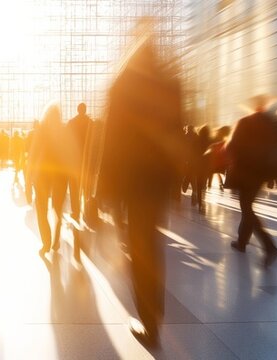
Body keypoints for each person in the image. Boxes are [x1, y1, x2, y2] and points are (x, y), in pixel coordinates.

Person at [95, 34, 185, 348]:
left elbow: (112, 140)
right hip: (157, 182)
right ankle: (153, 317)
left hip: (132, 183)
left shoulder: (123, 85)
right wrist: (177, 183)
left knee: (138, 249)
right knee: (152, 247)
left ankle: (148, 323)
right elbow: (178, 134)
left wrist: (105, 188)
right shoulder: (171, 84)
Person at [225, 95, 277, 267]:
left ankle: (269, 246)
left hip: (245, 172)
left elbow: (231, 146)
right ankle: (242, 242)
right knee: (247, 206)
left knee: (247, 208)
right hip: (261, 173)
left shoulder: (245, 122)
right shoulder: (271, 124)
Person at [29, 103, 68, 255]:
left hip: (42, 176)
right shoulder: (64, 132)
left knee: (41, 210)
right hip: (60, 176)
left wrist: (29, 176)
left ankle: (46, 242)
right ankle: (56, 240)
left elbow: (33, 154)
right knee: (58, 210)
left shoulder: (40, 131)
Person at [66, 103, 92, 222]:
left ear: (77, 110)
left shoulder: (71, 123)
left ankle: (75, 211)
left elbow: (67, 141)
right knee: (87, 186)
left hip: (73, 160)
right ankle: (87, 210)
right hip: (87, 160)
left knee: (74, 187)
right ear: (85, 110)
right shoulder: (91, 123)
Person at [192, 125, 212, 212]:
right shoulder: (210, 141)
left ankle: (200, 203)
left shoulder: (196, 140)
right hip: (206, 166)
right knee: (203, 185)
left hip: (197, 166)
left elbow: (192, 153)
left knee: (198, 185)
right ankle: (202, 202)